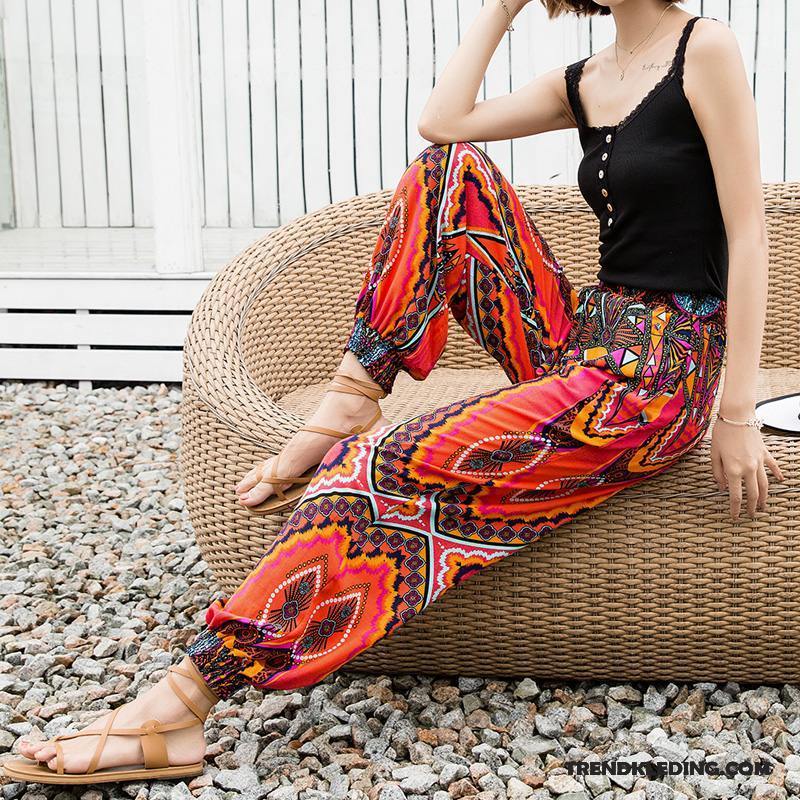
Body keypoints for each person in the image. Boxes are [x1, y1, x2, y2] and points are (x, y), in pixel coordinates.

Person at [4, 0, 784, 785]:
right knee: (450, 175)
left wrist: (736, 410)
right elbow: (444, 123)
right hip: (586, 332)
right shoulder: (587, 78)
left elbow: (748, 233)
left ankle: (181, 706)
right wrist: (500, 8)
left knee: (374, 473)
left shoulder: (704, 49)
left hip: (656, 377)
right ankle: (354, 389)